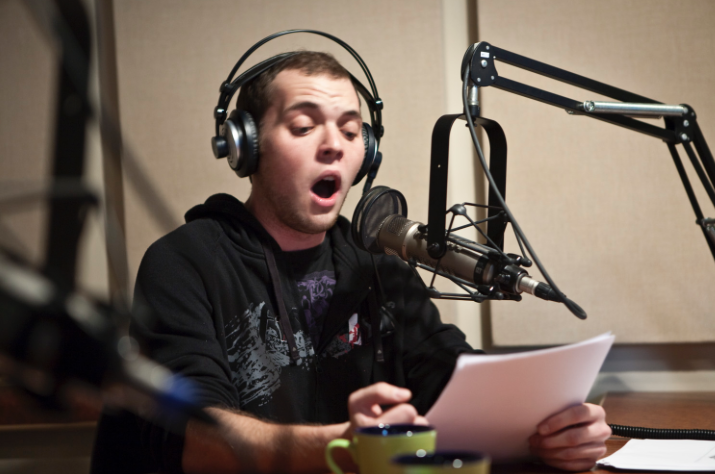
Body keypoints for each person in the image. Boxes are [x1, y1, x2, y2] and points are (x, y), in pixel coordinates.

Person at [91, 51, 610, 474]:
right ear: (246, 147)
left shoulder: (380, 268)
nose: (333, 146)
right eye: (303, 127)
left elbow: (454, 382)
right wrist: (345, 446)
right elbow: (194, 441)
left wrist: (548, 432)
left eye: (350, 129)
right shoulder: (184, 264)